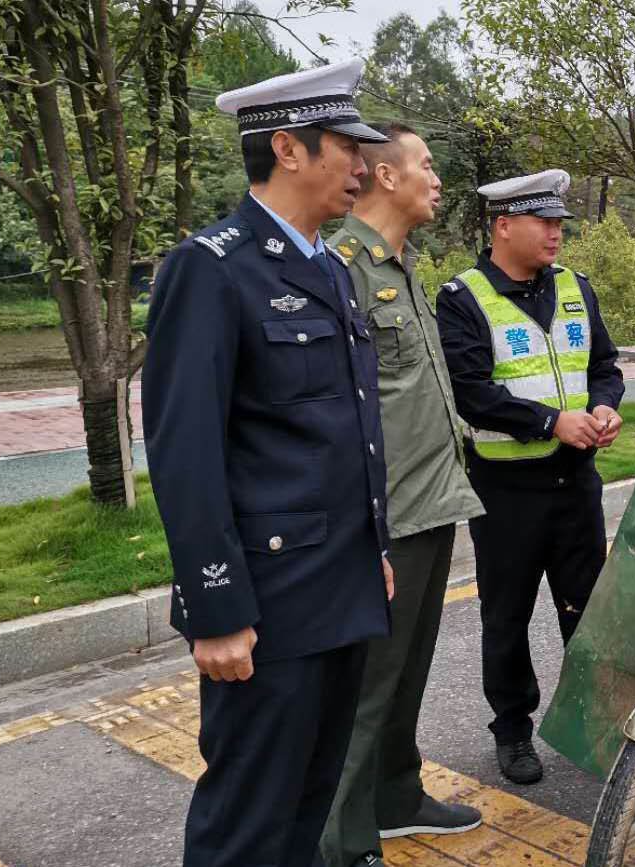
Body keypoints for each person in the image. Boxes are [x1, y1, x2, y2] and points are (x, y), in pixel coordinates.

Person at [141, 59, 395, 867]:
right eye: (346, 148)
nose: (362, 167)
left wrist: (373, 549)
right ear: (288, 148)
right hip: (268, 602)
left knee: (308, 805)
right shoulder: (211, 268)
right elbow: (184, 451)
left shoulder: (326, 264)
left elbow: (341, 431)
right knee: (247, 820)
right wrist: (214, 607)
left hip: (339, 587)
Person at [319, 123, 486, 867]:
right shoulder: (341, 268)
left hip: (430, 499)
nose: (436, 177)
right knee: (364, 686)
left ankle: (394, 795)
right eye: (425, 164)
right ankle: (339, 841)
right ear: (385, 177)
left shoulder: (401, 266)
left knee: (408, 669)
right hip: (384, 513)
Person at [436, 169, 625, 785]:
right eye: (543, 222)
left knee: (588, 611)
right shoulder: (462, 299)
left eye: (558, 223)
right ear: (503, 226)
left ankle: (598, 723)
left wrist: (604, 405)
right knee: (507, 615)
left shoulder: (575, 287)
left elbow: (603, 364)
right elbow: (471, 394)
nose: (555, 234)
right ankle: (513, 731)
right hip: (506, 491)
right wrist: (550, 422)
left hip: (578, 485)